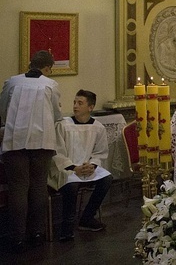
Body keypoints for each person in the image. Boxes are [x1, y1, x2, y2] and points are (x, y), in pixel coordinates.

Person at [0, 50, 63, 250]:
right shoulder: (49, 84)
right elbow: (56, 114)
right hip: (42, 141)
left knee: (18, 187)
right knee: (38, 186)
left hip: (15, 141)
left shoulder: (12, 82)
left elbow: (3, 110)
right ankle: (36, 232)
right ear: (47, 68)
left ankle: (16, 235)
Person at [48, 90, 112, 241]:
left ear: (90, 107)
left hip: (87, 167)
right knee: (72, 185)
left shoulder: (98, 127)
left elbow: (100, 152)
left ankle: (87, 218)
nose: (75, 106)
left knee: (107, 179)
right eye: (75, 102)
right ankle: (67, 226)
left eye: (80, 103)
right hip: (66, 169)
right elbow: (58, 152)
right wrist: (73, 168)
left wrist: (92, 165)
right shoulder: (63, 125)